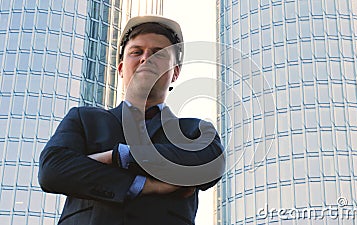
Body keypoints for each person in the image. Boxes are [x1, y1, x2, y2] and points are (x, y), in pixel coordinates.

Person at [38, 15, 225, 225]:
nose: (146, 58)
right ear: (120, 69)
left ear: (175, 73)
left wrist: (118, 156)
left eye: (158, 54)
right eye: (136, 52)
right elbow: (53, 171)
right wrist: (144, 184)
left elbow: (210, 165)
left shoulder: (195, 129)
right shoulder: (83, 119)